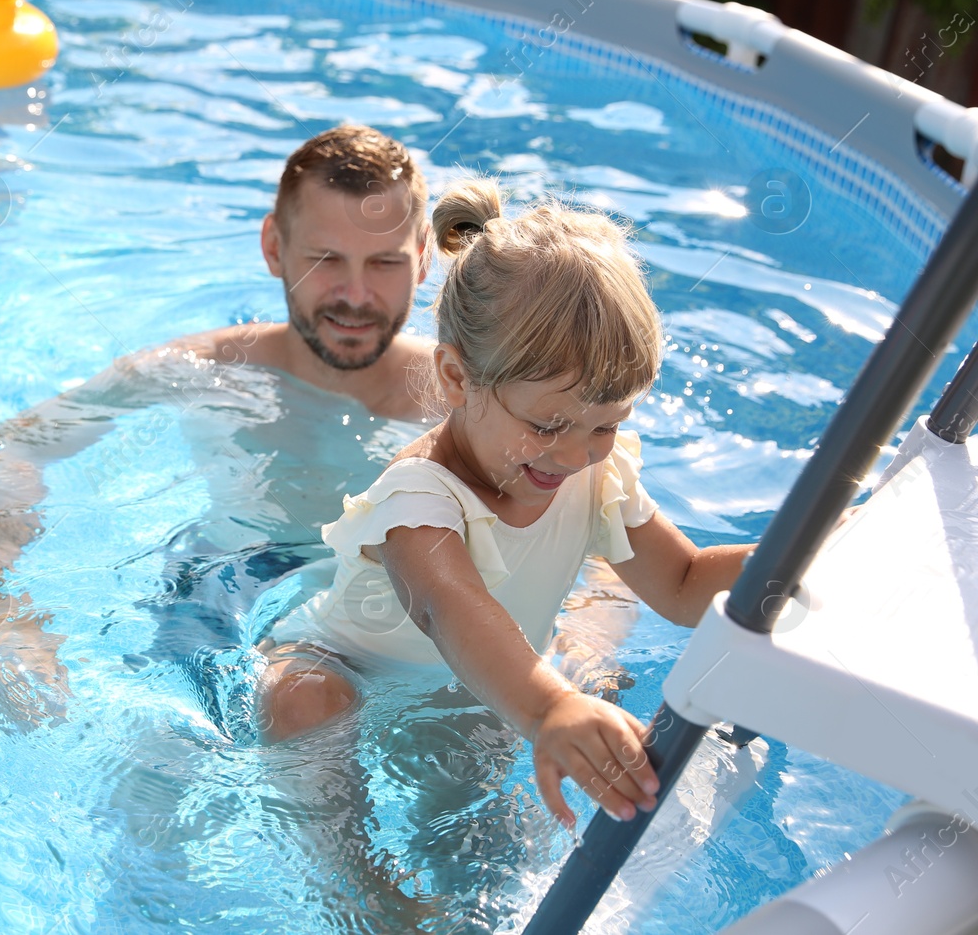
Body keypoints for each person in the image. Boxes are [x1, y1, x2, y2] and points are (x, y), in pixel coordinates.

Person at [250, 176, 757, 831]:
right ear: (458, 378)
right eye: (548, 425)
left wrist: (798, 560)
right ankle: (361, 897)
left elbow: (686, 586)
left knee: (479, 827)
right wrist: (550, 708)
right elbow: (449, 609)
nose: (575, 455)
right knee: (306, 700)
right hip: (345, 667)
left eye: (604, 425)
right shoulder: (419, 497)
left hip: (477, 688)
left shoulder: (594, 474)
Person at [0, 123, 441, 729]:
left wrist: (587, 623)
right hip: (226, 589)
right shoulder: (201, 370)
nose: (355, 295)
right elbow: (11, 444)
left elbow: (581, 497)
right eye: (326, 259)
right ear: (275, 247)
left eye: (384, 263)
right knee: (149, 786)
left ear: (424, 260)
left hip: (412, 602)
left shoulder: (465, 399)